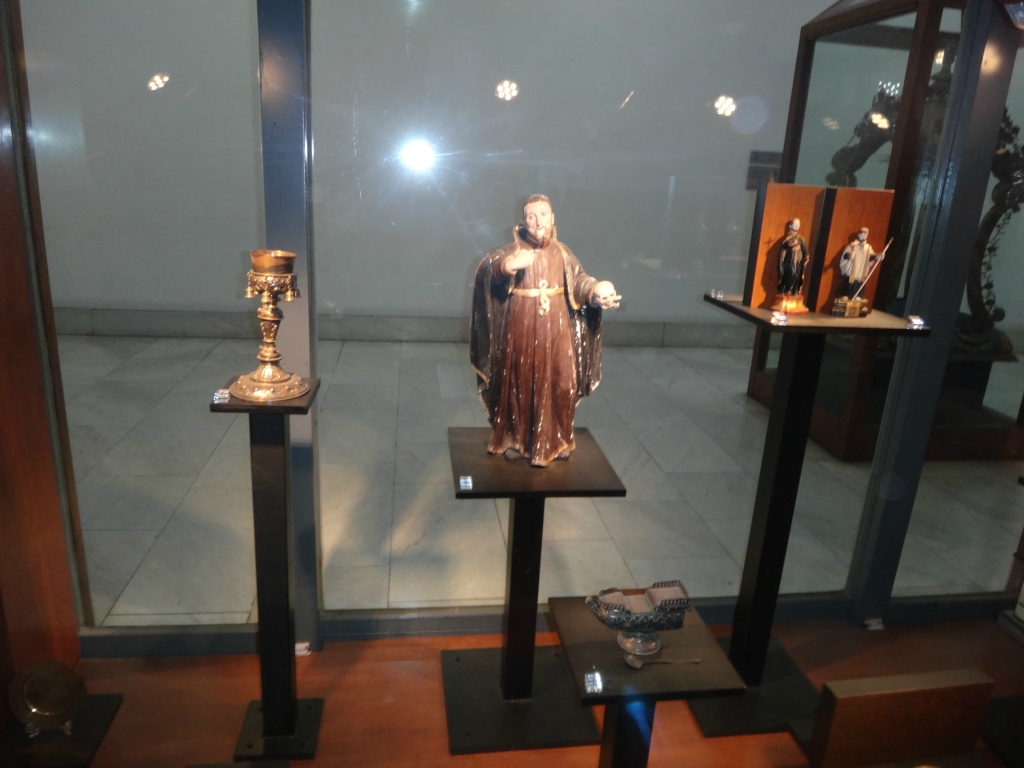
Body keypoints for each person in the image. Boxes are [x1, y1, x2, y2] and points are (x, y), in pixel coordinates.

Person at [470, 195, 620, 467]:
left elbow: (579, 280)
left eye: (543, 214)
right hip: (522, 326)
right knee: (520, 381)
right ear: (524, 221)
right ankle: (517, 438)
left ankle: (557, 438)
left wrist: (597, 292)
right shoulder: (513, 250)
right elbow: (488, 268)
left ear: (552, 218)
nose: (538, 221)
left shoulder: (562, 252)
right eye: (531, 216)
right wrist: (507, 266)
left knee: (562, 381)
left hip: (558, 328)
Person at [839, 227, 884, 299]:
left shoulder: (868, 247)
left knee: (859, 283)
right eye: (862, 234)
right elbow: (845, 255)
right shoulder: (852, 245)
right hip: (852, 270)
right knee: (849, 283)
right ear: (858, 235)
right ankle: (846, 295)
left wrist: (877, 256)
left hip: (861, 271)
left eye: (865, 235)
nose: (863, 236)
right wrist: (850, 255)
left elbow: (870, 256)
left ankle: (858, 296)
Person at [777, 218, 808, 297]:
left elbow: (805, 249)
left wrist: (807, 257)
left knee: (797, 275)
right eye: (795, 224)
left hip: (798, 260)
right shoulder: (788, 237)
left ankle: (794, 291)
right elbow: (785, 245)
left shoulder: (800, 238)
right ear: (790, 226)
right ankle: (787, 290)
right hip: (790, 260)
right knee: (791, 273)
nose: (797, 226)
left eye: (798, 224)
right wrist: (790, 244)